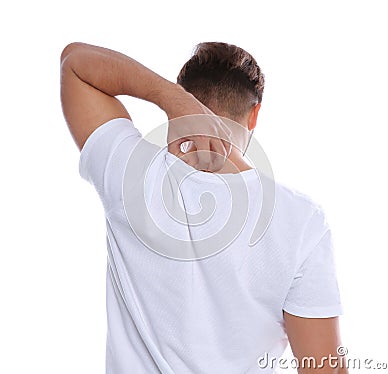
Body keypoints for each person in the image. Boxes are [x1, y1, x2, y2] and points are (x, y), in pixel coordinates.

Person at [60, 41, 347, 373]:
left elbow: (75, 63)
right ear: (254, 116)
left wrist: (170, 97)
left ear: (184, 103)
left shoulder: (132, 175)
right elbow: (324, 369)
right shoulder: (300, 221)